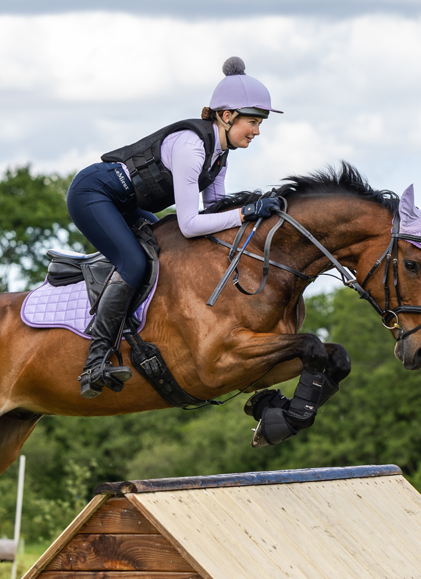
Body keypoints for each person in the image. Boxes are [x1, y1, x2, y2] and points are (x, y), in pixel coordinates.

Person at [67, 56, 283, 398]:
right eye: (253, 122)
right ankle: (96, 361)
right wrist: (246, 213)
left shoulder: (219, 154)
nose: (257, 131)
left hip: (126, 204)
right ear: (227, 117)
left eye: (260, 124)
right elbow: (191, 224)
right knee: (134, 262)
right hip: (93, 194)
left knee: (169, 253)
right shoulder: (192, 148)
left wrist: (255, 214)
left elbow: (215, 211)